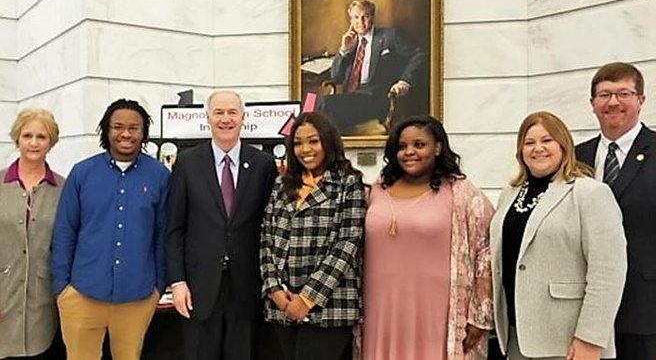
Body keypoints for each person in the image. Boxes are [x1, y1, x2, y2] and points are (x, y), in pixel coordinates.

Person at [492, 111, 627, 359]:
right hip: (517, 337)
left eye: (547, 140)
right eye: (529, 142)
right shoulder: (509, 194)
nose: (538, 148)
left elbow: (609, 272)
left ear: (563, 145)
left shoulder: (590, 193)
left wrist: (590, 338)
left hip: (568, 341)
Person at [362, 115, 494, 359]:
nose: (409, 152)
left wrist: (480, 315)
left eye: (419, 145)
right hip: (380, 311)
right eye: (402, 147)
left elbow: (486, 253)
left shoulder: (462, 193)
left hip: (437, 313)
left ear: (438, 148)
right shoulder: (376, 190)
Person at [51, 99, 170, 360]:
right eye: (117, 127)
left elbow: (163, 235)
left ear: (144, 133)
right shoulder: (82, 173)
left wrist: (158, 287)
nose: (126, 134)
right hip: (81, 294)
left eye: (134, 128)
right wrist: (62, 288)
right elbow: (65, 231)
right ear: (106, 130)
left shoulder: (160, 176)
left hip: (137, 298)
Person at [166, 90, 278, 360]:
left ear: (243, 118)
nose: (225, 119)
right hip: (199, 287)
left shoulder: (263, 164)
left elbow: (271, 226)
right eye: (219, 113)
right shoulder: (188, 163)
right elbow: (174, 227)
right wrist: (177, 282)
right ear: (208, 118)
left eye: (232, 112)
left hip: (247, 284)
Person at [260, 111, 364, 360]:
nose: (305, 149)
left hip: (328, 307)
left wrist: (306, 299)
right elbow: (265, 238)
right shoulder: (282, 184)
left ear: (328, 141)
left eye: (313, 141)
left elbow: (346, 244)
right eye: (297, 143)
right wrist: (274, 290)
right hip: (281, 306)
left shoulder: (348, 183)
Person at [0, 108, 65, 359]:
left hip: (44, 308)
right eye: (27, 135)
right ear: (17, 139)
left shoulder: (64, 189)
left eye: (41, 137)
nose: (33, 143)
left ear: (51, 142)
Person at [575, 62, 655, 360]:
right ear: (592, 103)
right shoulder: (576, 156)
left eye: (623, 93)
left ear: (641, 100)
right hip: (584, 308)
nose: (613, 102)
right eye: (604, 94)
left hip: (644, 307)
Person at [327, 0, 427, 131]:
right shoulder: (351, 42)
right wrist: (343, 50)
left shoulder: (390, 35)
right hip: (350, 99)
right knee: (317, 103)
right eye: (356, 17)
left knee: (321, 104)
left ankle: (293, 131)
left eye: (365, 17)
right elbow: (335, 77)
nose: (360, 22)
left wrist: (405, 81)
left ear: (372, 17)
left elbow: (420, 53)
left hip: (376, 99)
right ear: (350, 20)